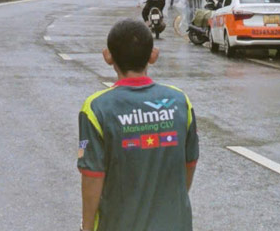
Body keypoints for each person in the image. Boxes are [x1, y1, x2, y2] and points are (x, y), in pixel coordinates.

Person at [77, 19, 199, 231]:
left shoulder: (96, 108)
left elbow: (92, 176)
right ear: (153, 55)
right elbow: (189, 164)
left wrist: (86, 228)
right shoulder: (180, 101)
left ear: (108, 56)